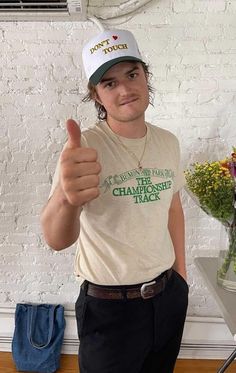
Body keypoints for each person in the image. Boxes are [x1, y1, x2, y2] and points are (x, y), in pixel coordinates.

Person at [40, 28, 189, 373]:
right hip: (109, 309)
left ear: (146, 75)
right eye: (109, 83)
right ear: (96, 94)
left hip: (167, 298)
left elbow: (172, 207)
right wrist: (67, 200)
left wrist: (180, 276)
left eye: (132, 74)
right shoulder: (83, 150)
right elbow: (56, 239)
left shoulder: (168, 142)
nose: (125, 90)